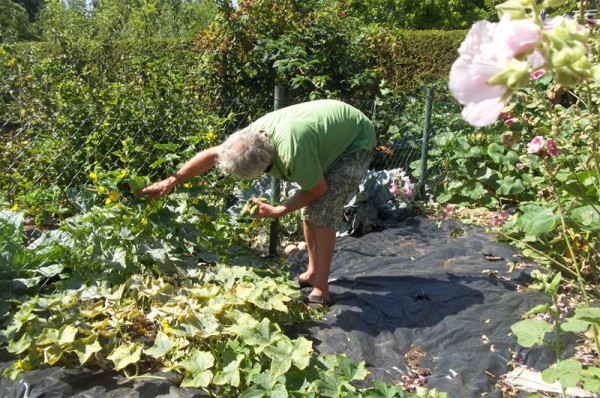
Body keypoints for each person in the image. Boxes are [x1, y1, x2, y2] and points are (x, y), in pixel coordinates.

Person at [139, 99, 375, 307]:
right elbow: (212, 155)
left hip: (356, 139)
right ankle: (313, 272)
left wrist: (277, 211)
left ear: (262, 168)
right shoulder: (246, 140)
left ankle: (322, 289)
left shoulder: (293, 154)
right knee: (310, 207)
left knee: (323, 208)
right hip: (325, 130)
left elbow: (318, 190)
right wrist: (172, 181)